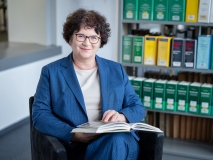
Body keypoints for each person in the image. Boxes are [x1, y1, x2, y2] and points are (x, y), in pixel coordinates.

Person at [32, 8, 145, 160]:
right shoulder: (51, 72)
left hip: (117, 139)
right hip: (77, 146)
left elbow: (137, 107)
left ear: (100, 41)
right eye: (81, 36)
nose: (87, 42)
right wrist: (73, 134)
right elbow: (40, 115)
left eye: (94, 37)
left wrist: (121, 116)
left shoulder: (116, 69)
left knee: (117, 140)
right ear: (70, 38)